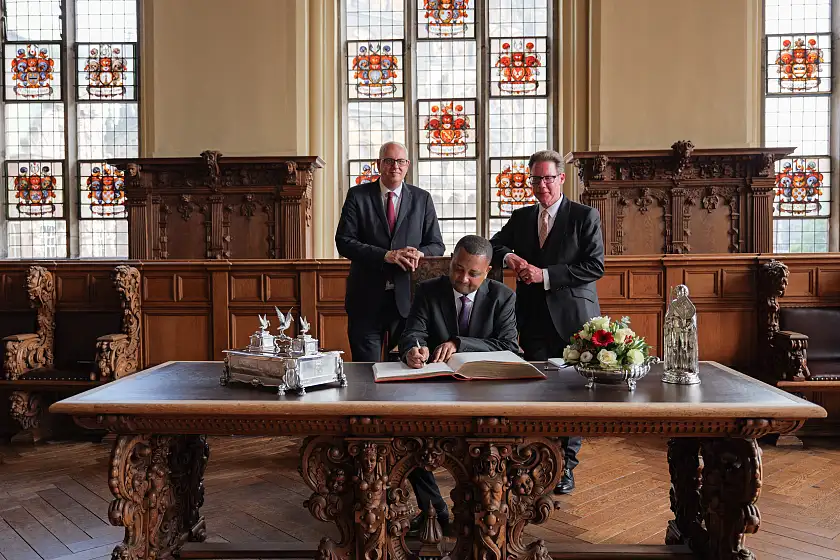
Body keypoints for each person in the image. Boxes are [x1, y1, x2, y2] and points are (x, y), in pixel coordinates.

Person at [490, 149, 605, 495]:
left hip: (574, 319)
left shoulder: (585, 216)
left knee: (573, 396)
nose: (542, 186)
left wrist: (545, 275)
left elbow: (595, 266)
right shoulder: (522, 217)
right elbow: (493, 245)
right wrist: (509, 257)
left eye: (548, 178)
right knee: (537, 390)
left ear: (561, 179)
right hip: (532, 318)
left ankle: (567, 465)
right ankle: (540, 458)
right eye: (536, 179)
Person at [399, 234, 519, 535]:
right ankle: (434, 508)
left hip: (486, 393)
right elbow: (412, 332)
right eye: (457, 268)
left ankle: (483, 511)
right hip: (434, 387)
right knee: (407, 437)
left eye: (473, 273)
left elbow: (509, 346)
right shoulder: (428, 291)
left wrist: (459, 343)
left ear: (487, 271)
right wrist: (414, 349)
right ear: (451, 261)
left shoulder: (502, 296)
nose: (462, 278)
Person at [335, 141, 445, 362]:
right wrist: (385, 255)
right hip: (366, 298)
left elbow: (437, 245)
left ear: (408, 165)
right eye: (389, 161)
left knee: (407, 365)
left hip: (408, 299)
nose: (395, 166)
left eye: (400, 161)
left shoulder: (422, 198)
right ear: (378, 164)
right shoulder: (358, 195)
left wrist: (420, 254)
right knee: (367, 368)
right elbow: (344, 241)